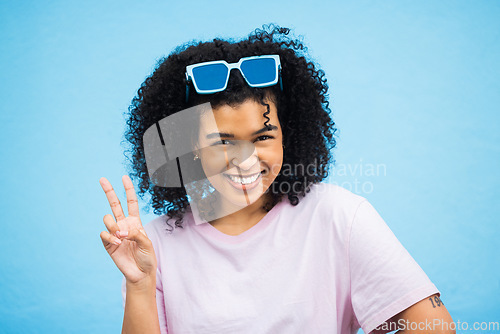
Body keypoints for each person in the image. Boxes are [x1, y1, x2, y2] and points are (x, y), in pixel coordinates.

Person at [99, 25, 455, 334]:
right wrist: (141, 285)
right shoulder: (157, 245)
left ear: (290, 134)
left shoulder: (339, 217)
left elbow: (435, 325)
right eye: (223, 142)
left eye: (263, 137)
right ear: (191, 147)